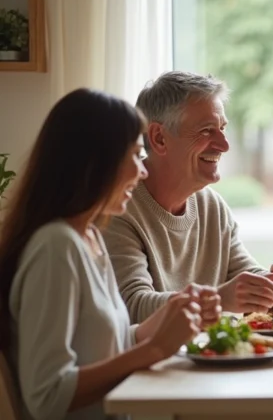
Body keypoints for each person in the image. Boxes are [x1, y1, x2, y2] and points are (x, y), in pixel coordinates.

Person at [0, 88, 212, 420]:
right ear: (95, 162)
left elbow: (104, 344)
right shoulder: (56, 247)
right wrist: (154, 349)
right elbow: (47, 396)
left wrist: (174, 315)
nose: (142, 171)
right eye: (134, 155)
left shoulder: (89, 239)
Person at [102, 71, 273, 323]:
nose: (224, 145)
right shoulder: (118, 208)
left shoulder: (211, 205)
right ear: (159, 138)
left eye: (222, 128)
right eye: (206, 131)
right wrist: (220, 299)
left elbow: (243, 274)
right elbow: (133, 307)